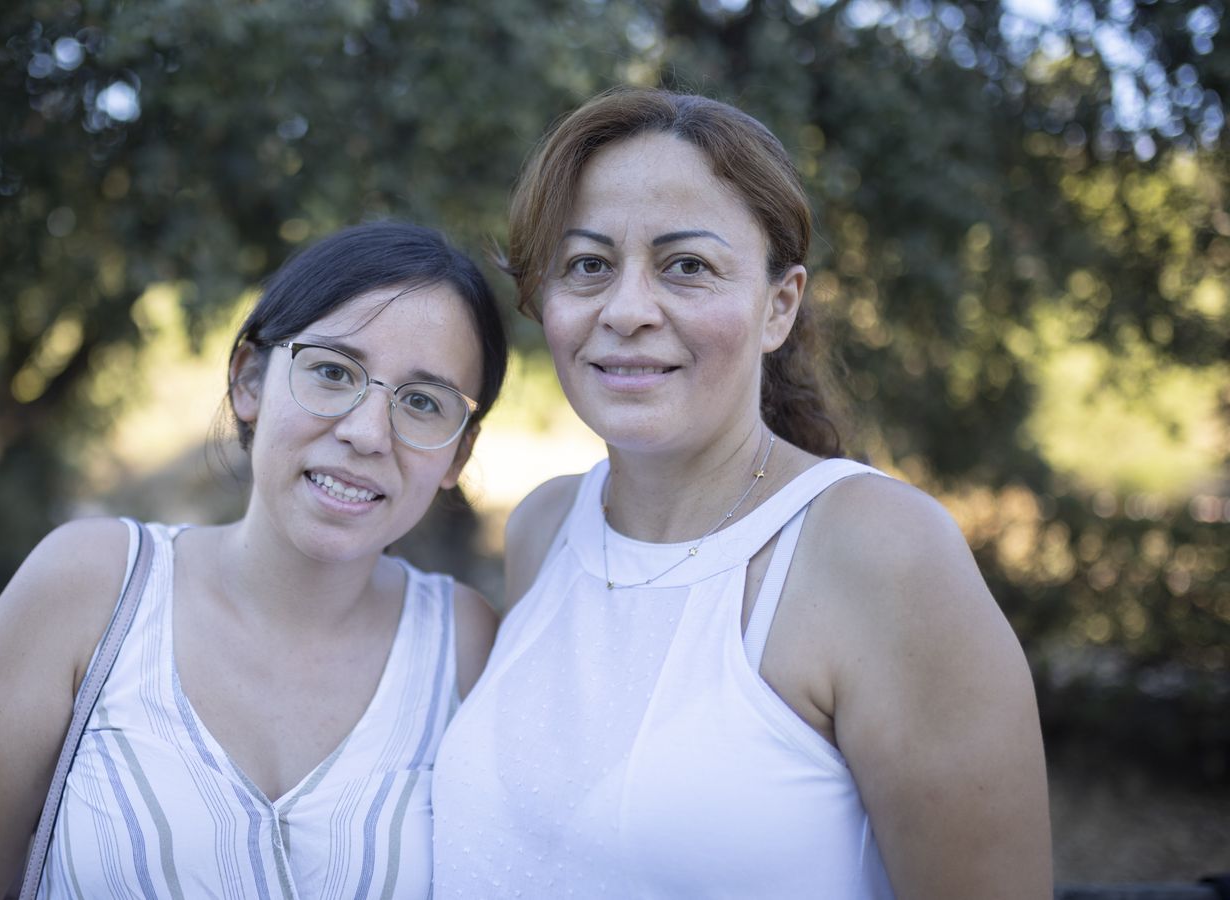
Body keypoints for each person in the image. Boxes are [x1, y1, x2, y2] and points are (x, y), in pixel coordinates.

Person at [432, 88, 1052, 898]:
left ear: (779, 306)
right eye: (588, 265)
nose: (626, 310)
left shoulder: (882, 551)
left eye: (686, 266)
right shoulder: (546, 527)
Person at [0, 221, 507, 899]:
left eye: (422, 402)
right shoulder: (89, 587)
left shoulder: (469, 647)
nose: (366, 433)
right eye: (333, 372)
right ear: (249, 380)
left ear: (458, 453)